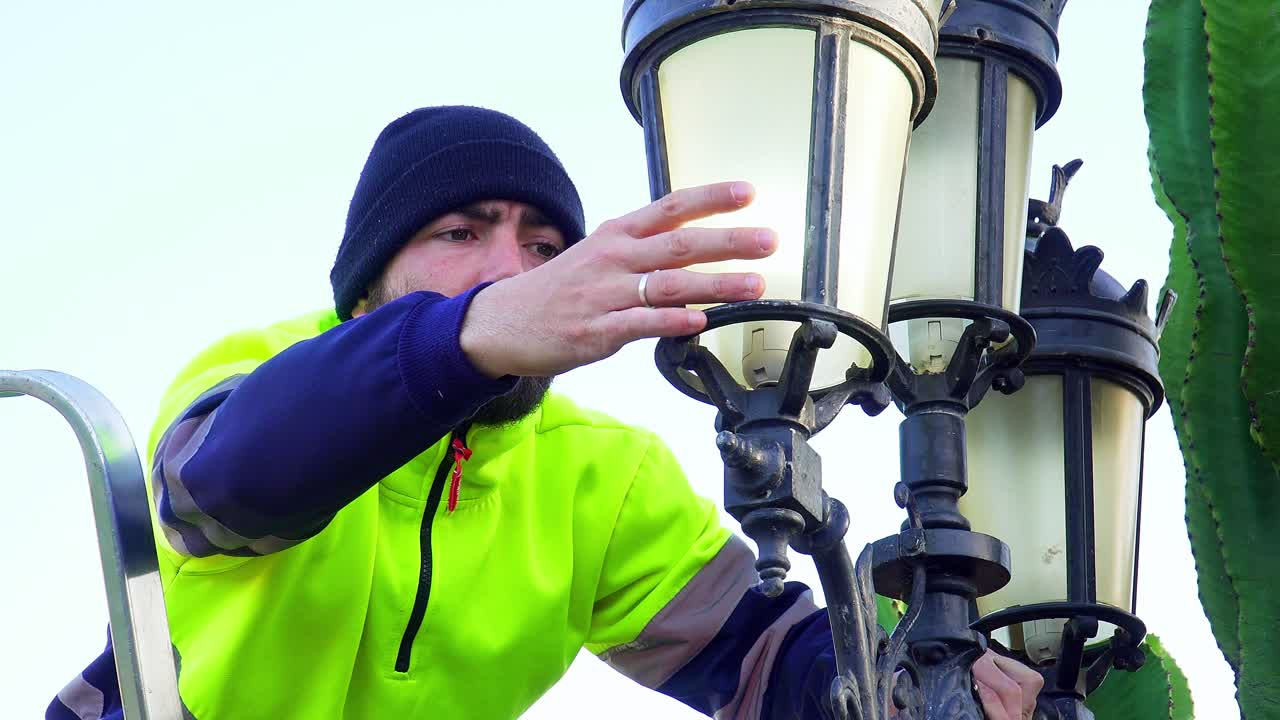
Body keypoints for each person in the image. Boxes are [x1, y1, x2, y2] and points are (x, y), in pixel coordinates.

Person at [49, 106, 1042, 719]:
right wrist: (469, 336)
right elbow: (223, 489)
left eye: (541, 246)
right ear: (363, 286)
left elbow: (761, 658)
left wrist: (925, 683)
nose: (508, 268)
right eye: (457, 232)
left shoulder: (602, 480)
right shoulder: (263, 367)